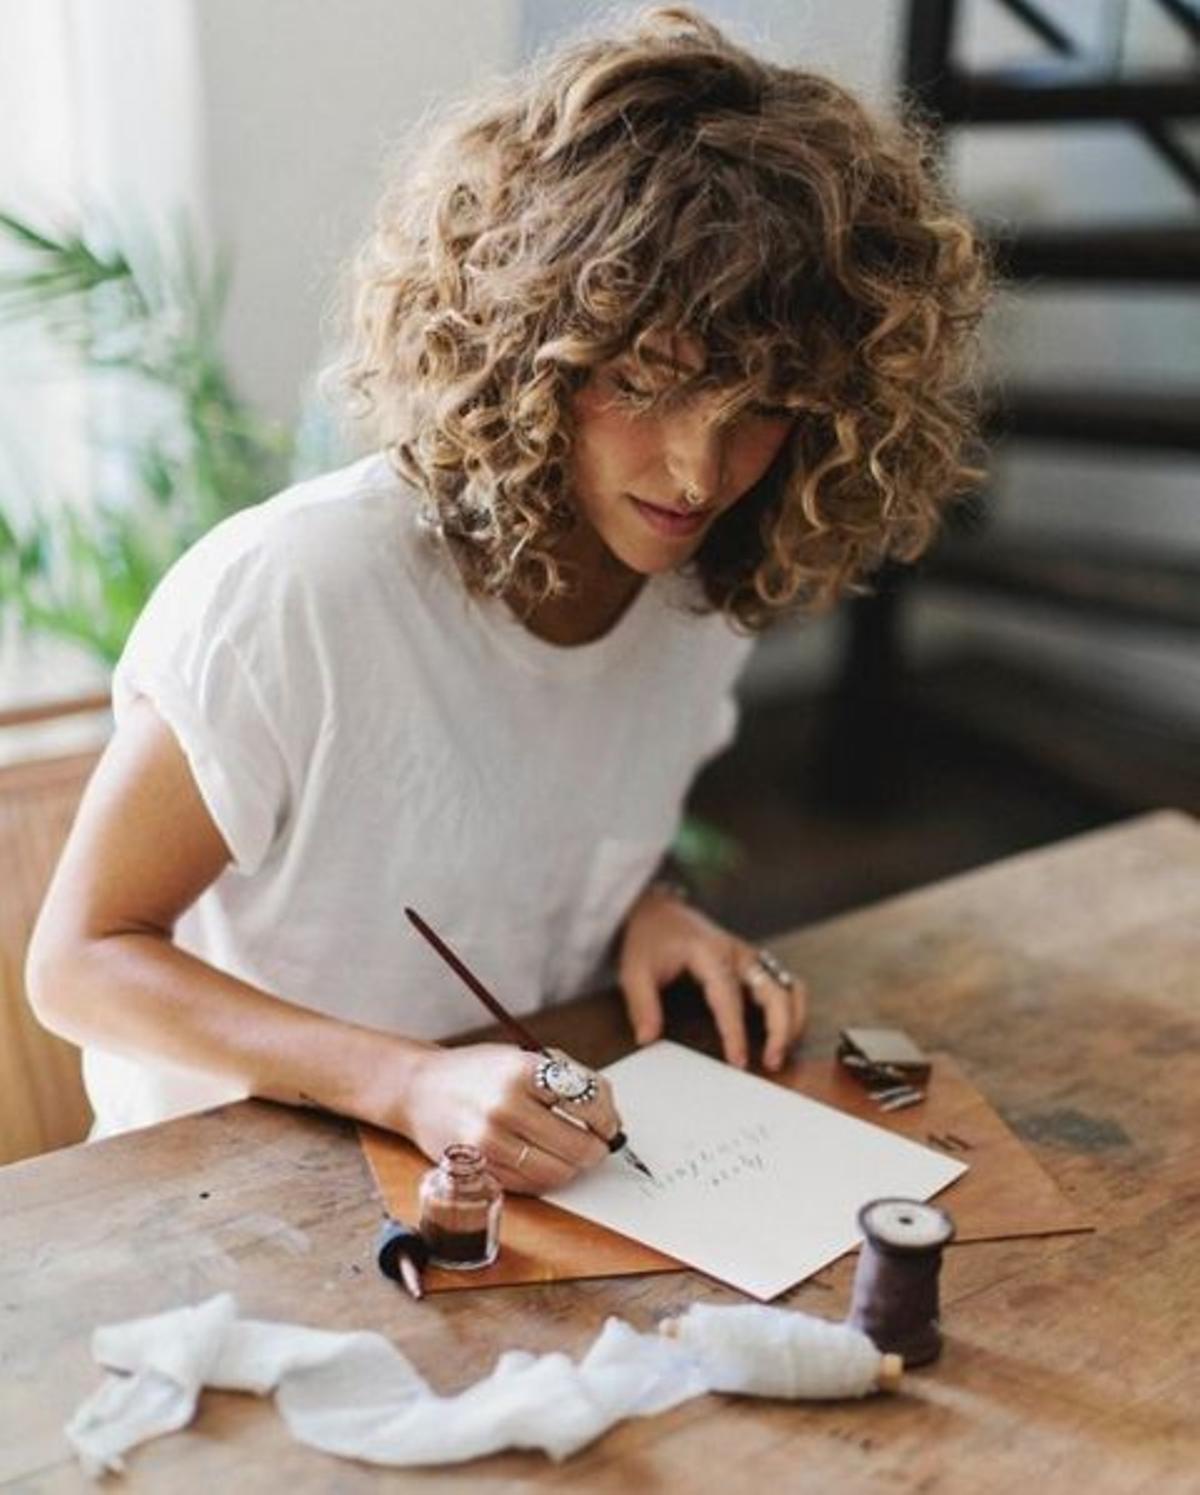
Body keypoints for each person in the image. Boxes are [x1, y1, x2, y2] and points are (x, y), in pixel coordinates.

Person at [27, 6, 989, 1193]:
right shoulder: (295, 593)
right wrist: (409, 1081)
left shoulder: (690, 590)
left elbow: (536, 819)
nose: (699, 472)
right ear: (531, 350)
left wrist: (651, 906)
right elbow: (77, 962)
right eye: (644, 381)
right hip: (232, 1193)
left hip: (524, 1177)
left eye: (762, 406)